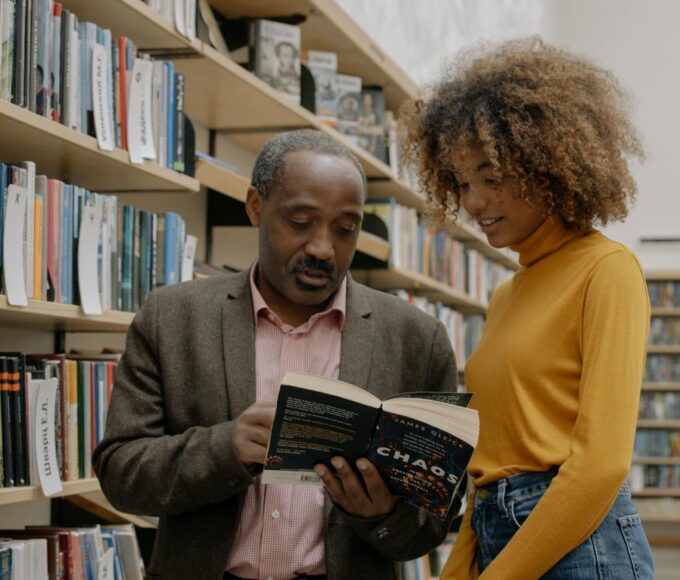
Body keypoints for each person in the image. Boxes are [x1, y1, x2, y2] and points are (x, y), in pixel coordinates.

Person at [93, 129, 459, 580]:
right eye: (301, 222)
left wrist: (381, 513)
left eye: (345, 229)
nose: (323, 248)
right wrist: (223, 449)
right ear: (255, 206)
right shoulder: (172, 318)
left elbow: (431, 524)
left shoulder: (416, 340)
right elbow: (120, 474)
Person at [400, 37, 654, 578]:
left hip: (581, 545)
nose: (472, 203)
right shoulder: (504, 295)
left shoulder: (606, 270)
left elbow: (601, 466)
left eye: (492, 178)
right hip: (499, 531)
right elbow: (492, 463)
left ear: (550, 166)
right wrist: (461, 565)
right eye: (463, 183)